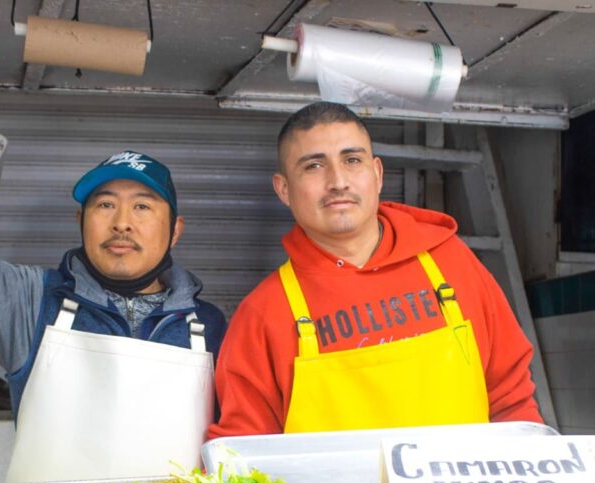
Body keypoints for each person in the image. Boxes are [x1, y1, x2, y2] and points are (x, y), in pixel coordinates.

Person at [0, 80, 226, 482]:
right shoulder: (30, 301)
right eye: (104, 205)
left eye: (142, 207)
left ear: (175, 230)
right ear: (80, 221)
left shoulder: (212, 327)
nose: (122, 223)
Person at [209, 102, 541, 438]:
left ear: (377, 174)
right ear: (283, 189)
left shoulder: (451, 263)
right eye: (313, 166)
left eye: (352, 160)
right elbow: (242, 455)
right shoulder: (263, 314)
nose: (338, 181)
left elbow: (512, 399)